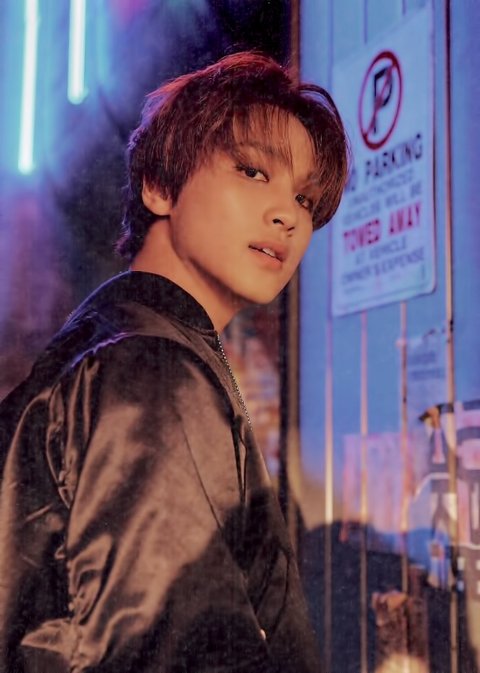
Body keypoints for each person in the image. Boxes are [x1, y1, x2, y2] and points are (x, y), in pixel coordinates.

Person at [0, 52, 348, 672]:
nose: (288, 216)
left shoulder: (112, 346)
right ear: (160, 186)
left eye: (304, 197)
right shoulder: (152, 370)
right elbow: (176, 649)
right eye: (252, 171)